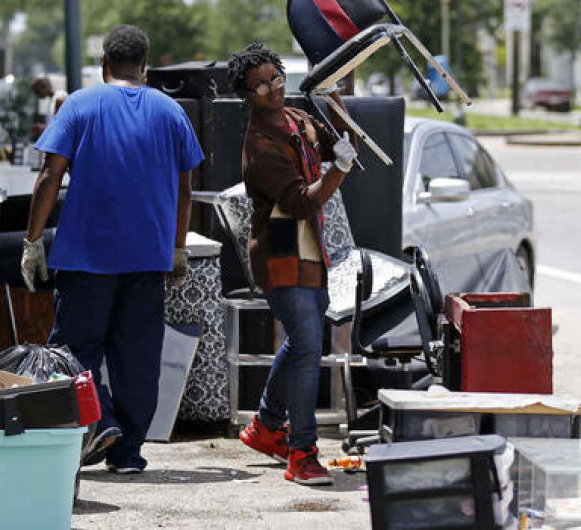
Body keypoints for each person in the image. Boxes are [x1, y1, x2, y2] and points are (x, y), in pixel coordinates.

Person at [21, 24, 204, 474]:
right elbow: (186, 191)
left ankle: (100, 421)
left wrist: (32, 242)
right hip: (148, 258)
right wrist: (177, 248)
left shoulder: (80, 105)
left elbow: (48, 175)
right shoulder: (172, 113)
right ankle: (128, 452)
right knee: (138, 357)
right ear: (146, 67)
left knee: (73, 350)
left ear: (105, 65)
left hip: (85, 257)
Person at [228, 42, 357, 485]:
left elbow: (342, 142)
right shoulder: (260, 144)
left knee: (301, 343)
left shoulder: (298, 119)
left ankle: (265, 427)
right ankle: (301, 453)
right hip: (281, 248)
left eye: (277, 79)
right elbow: (302, 201)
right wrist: (338, 169)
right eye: (260, 86)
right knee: (307, 345)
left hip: (308, 246)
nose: (272, 90)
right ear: (247, 95)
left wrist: (336, 97)